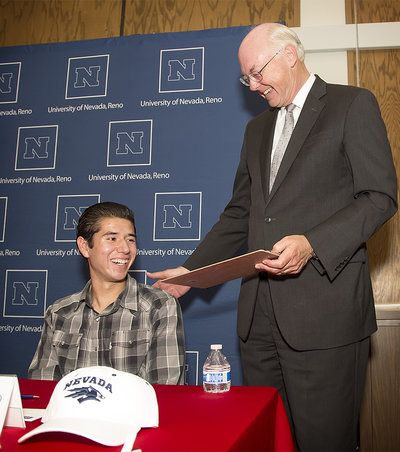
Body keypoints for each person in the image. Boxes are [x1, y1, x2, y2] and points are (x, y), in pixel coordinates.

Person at [148, 23, 398, 450]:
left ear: (289, 55)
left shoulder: (351, 104)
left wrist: (312, 242)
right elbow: (241, 213)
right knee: (266, 440)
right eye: (246, 78)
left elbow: (379, 197)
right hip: (258, 320)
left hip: (325, 318)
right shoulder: (257, 130)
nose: (253, 85)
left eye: (258, 72)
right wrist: (194, 271)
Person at [28, 201, 185, 385]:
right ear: (85, 247)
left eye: (130, 240)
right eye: (112, 239)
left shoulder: (159, 306)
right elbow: (43, 390)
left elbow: (165, 392)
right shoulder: (59, 312)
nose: (125, 249)